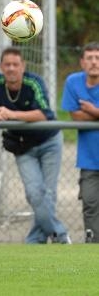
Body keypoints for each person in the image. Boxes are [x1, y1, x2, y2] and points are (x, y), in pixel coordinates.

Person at [0, 47, 70, 244]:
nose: (11, 69)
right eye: (7, 65)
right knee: (34, 193)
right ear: (1, 67)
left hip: (49, 142)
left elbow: (44, 113)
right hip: (23, 147)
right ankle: (60, 234)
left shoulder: (33, 82)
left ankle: (36, 240)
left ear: (23, 66)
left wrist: (12, 115)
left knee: (49, 194)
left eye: (15, 64)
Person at [61, 42, 99, 243]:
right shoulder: (73, 82)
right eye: (90, 58)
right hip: (89, 160)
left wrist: (93, 111)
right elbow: (75, 116)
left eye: (98, 58)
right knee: (90, 204)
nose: (94, 62)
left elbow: (84, 114)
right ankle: (93, 247)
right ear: (82, 62)